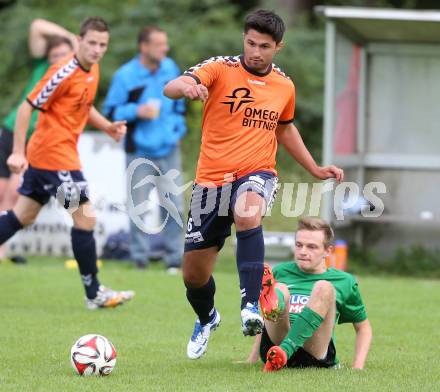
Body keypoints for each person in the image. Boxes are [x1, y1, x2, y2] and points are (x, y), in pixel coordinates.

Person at [164, 9, 344, 360]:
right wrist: (187, 86)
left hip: (257, 172)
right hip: (210, 182)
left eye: (264, 46)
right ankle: (207, 317)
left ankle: (251, 304)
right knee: (194, 277)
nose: (255, 51)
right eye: (250, 43)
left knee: (247, 211)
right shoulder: (220, 68)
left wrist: (314, 168)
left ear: (278, 47)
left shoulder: (284, 85)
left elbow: (285, 128)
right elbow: (172, 86)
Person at [0, 16, 135, 309]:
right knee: (85, 217)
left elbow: (84, 106)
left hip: (57, 155)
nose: (97, 49)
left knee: (22, 217)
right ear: (79, 40)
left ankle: (94, 293)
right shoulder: (62, 72)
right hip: (52, 157)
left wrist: (107, 126)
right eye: (92, 43)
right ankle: (94, 293)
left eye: (103, 45)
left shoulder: (93, 69)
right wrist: (18, 152)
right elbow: (26, 108)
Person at [103, 26, 186, 273]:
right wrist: (136, 111)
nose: (165, 48)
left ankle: (174, 260)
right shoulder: (125, 76)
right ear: (144, 47)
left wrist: (177, 131)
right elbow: (110, 112)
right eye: (159, 44)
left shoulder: (170, 68)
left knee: (174, 206)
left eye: (165, 44)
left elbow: (179, 106)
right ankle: (139, 258)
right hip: (138, 150)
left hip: (169, 148)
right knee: (138, 207)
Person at [249, 217, 372, 371]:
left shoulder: (344, 281)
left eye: (311, 247)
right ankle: (281, 352)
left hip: (314, 352)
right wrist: (252, 358)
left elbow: (363, 328)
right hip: (276, 344)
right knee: (280, 289)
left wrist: (357, 367)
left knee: (324, 287)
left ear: (328, 251)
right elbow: (266, 317)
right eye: (299, 245)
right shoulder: (280, 272)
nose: (303, 252)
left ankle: (285, 351)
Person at [0, 19, 76, 262]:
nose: (58, 58)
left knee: (13, 195)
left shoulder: (73, 74)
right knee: (2, 191)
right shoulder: (44, 67)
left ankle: (2, 250)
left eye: (64, 53)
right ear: (47, 56)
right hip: (12, 131)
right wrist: (68, 36)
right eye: (54, 54)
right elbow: (36, 26)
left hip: (37, 141)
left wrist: (72, 43)